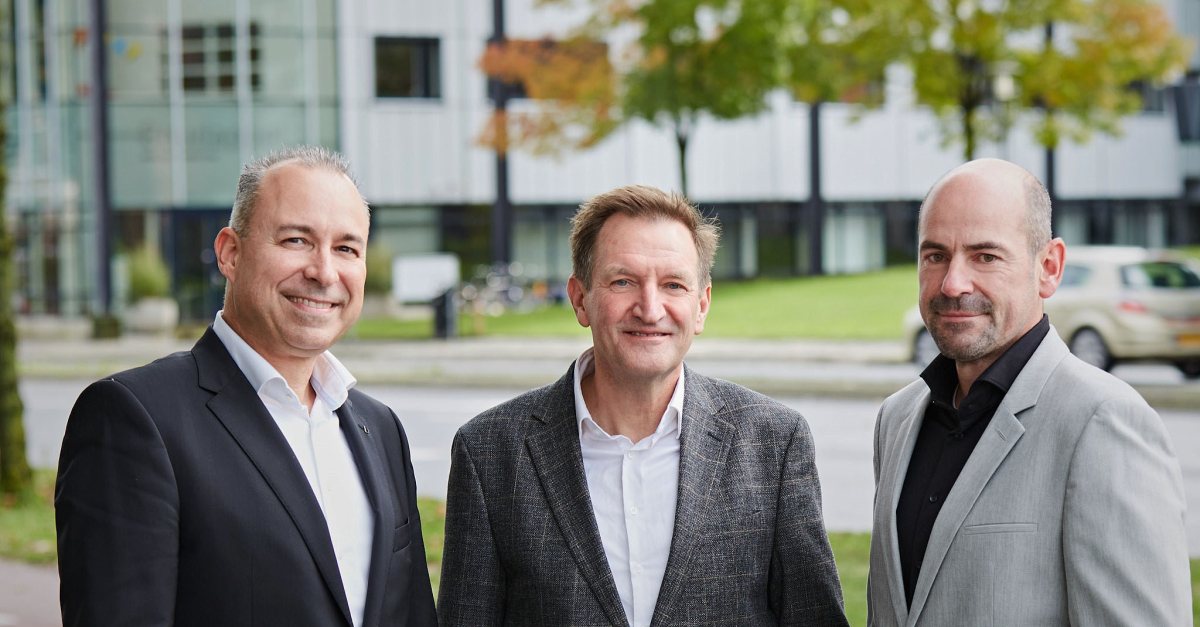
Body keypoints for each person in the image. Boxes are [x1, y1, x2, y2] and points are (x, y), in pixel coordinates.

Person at [55, 146, 437, 627]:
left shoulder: (379, 429)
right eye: (296, 240)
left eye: (346, 248)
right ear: (230, 253)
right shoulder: (133, 418)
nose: (323, 271)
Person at [437, 185, 848, 626]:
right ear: (580, 299)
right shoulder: (490, 453)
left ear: (701, 305)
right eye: (623, 282)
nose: (650, 309)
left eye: (673, 285)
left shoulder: (774, 444)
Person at [867, 158, 1191, 625]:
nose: (953, 283)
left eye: (985, 256)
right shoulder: (896, 420)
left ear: (1048, 268)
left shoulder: (1103, 421)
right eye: (935, 255)